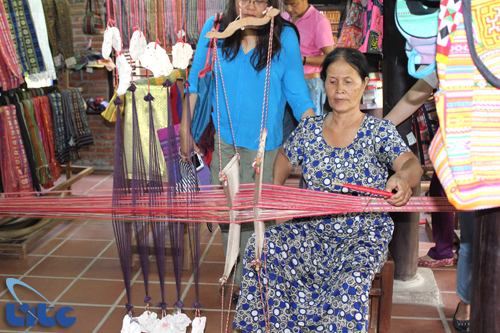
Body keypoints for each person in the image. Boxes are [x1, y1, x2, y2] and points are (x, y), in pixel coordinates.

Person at [233, 48, 422, 332]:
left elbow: (411, 163)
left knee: (350, 283)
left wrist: (403, 180)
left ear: (364, 85)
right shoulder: (310, 129)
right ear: (324, 85)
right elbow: (285, 157)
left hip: (361, 235)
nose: (339, 90)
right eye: (332, 81)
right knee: (264, 247)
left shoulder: (378, 131)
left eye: (348, 81)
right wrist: (276, 191)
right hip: (312, 229)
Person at [180, 0, 316, 288]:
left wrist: (315, 132)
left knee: (256, 217)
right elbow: (194, 82)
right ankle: (238, 279)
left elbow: (297, 92)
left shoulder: (284, 36)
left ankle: (253, 285)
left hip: (263, 147)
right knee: (230, 215)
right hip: (225, 142)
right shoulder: (216, 29)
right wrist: (185, 128)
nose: (252, 5)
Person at [385, 69, 474, 332]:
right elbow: (417, 94)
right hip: (471, 160)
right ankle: (467, 301)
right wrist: (379, 127)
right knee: (471, 240)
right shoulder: (454, 51)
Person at [281, 0, 335, 142]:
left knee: (309, 131)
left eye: (293, 4)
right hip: (285, 83)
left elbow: (330, 57)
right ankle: (287, 162)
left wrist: (303, 60)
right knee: (285, 130)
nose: (289, 8)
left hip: (309, 82)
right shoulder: (283, 18)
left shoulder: (319, 21)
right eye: (285, 4)